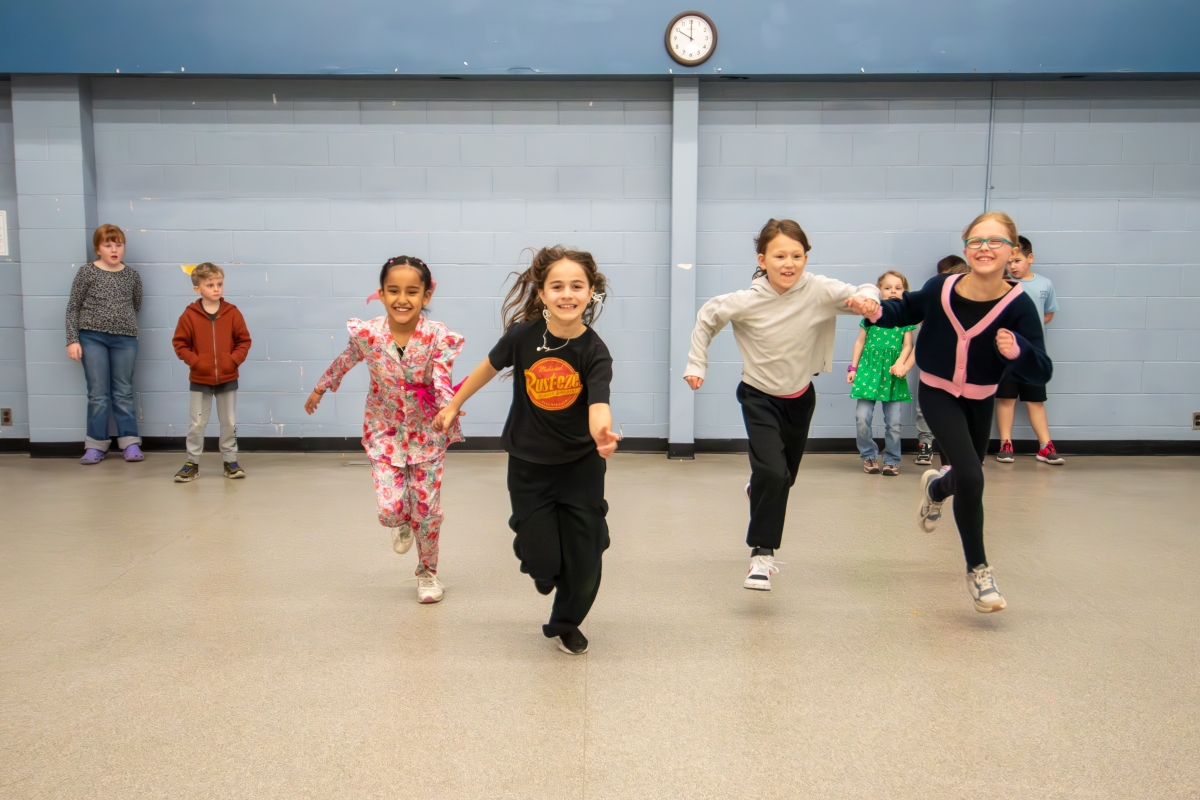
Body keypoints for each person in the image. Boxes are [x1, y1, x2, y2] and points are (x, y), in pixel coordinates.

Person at [860, 212, 1051, 613]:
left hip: (980, 398)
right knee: (971, 474)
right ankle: (978, 570)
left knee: (965, 477)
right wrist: (875, 310)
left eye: (996, 241)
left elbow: (1041, 368)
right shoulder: (941, 288)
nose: (985, 248)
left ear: (1013, 251)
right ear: (966, 248)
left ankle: (935, 489)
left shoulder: (1020, 306)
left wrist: (1020, 352)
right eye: (976, 241)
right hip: (937, 392)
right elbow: (905, 309)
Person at [432, 246, 618, 655]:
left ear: (591, 293)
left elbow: (598, 403)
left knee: (585, 560)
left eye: (577, 286)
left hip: (580, 467)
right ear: (541, 291)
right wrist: (452, 405)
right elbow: (486, 368)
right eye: (557, 286)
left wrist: (602, 433)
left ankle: (566, 624)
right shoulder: (522, 336)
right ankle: (542, 563)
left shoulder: (594, 351)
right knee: (542, 561)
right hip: (529, 465)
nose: (567, 294)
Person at [682, 218, 880, 592]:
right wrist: (696, 362)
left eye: (797, 255)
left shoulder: (819, 290)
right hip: (758, 396)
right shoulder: (748, 300)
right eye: (780, 256)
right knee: (773, 474)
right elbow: (708, 316)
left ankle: (759, 489)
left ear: (806, 257)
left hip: (800, 398)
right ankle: (762, 556)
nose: (789, 263)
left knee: (783, 479)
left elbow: (863, 291)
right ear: (763, 259)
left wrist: (868, 299)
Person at [305, 256, 464, 604]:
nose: (402, 299)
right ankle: (401, 520)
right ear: (381, 294)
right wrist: (321, 386)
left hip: (427, 430)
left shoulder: (438, 336)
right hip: (384, 429)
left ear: (426, 294)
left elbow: (441, 378)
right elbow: (346, 359)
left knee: (428, 509)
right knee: (390, 510)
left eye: (411, 291)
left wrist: (447, 408)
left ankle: (427, 574)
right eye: (393, 291)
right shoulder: (369, 334)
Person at [65, 224, 144, 465]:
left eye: (118, 245)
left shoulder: (131, 275)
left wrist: (121, 323)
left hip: (125, 339)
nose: (114, 250)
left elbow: (136, 304)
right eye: (108, 245)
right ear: (97, 248)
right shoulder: (87, 273)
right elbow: (73, 307)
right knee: (98, 394)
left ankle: (129, 443)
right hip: (92, 338)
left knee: (123, 392)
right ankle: (95, 446)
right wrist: (72, 340)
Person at [171, 263, 252, 482]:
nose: (216, 289)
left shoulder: (232, 313)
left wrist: (232, 361)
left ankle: (230, 461)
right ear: (198, 289)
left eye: (219, 284)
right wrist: (196, 362)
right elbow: (180, 344)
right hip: (200, 379)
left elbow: (244, 341)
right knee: (197, 423)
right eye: (210, 285)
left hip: (227, 378)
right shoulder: (189, 316)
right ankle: (192, 463)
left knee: (229, 422)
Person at [995, 235, 1064, 465]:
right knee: (1006, 398)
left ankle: (1045, 446)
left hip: (1033, 354)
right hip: (1006, 356)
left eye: (1017, 261)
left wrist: (1029, 329)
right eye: (1009, 262)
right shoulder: (1002, 284)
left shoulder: (1044, 284)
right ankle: (1006, 443)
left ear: (1030, 258)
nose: (1012, 266)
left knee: (1035, 400)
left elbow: (1048, 313)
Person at [848, 271, 915, 476]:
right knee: (862, 417)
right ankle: (868, 455)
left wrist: (900, 363)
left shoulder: (905, 317)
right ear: (879, 292)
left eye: (898, 287)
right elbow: (860, 342)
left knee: (893, 422)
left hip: (893, 374)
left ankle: (892, 459)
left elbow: (907, 345)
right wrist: (853, 367)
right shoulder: (870, 316)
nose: (893, 291)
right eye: (887, 287)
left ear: (904, 291)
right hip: (869, 371)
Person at [909, 255, 969, 466]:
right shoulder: (932, 299)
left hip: (962, 370)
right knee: (927, 406)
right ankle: (926, 445)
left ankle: (964, 453)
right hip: (934, 365)